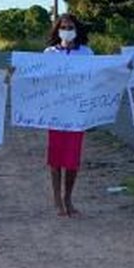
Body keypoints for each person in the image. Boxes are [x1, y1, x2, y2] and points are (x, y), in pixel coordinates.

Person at [43, 13, 94, 217]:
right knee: (56, 157)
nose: (67, 30)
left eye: (70, 26)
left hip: (77, 112)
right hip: (56, 112)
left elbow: (98, 77)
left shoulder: (86, 53)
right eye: (63, 27)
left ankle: (68, 197)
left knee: (72, 158)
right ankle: (57, 198)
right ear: (57, 30)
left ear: (77, 29)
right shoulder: (49, 53)